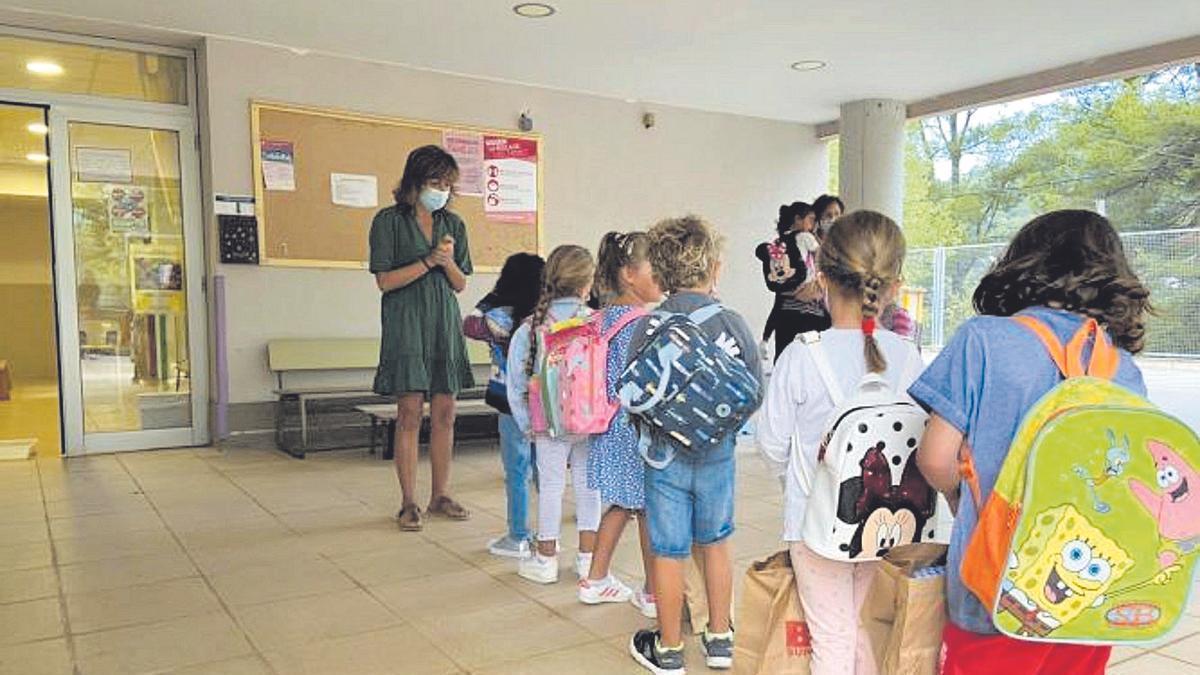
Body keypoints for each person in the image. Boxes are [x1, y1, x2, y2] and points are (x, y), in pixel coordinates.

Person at [910, 210, 1150, 675]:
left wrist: (964, 500)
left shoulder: (984, 339)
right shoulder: (1121, 367)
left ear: (1023, 263)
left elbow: (936, 458)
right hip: (1087, 591)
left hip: (994, 587)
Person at [757, 210, 924, 674]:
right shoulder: (909, 355)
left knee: (830, 634)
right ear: (893, 285)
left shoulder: (802, 354)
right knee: (854, 622)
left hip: (815, 522)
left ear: (822, 277)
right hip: (885, 520)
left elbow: (771, 444)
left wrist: (798, 484)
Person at [629, 215, 763, 674]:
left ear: (660, 275)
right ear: (715, 268)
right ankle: (720, 639)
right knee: (716, 542)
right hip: (718, 453)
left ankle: (668, 650)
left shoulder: (648, 327)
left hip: (662, 455)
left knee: (668, 551)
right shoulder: (731, 322)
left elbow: (634, 396)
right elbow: (754, 390)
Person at [369, 144, 474, 532]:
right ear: (415, 181)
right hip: (406, 322)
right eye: (435, 182)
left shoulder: (455, 226)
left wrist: (446, 265)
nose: (442, 190)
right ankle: (408, 501)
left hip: (444, 323)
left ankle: (440, 494)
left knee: (446, 412)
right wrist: (427, 261)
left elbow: (461, 285)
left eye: (448, 184)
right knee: (410, 412)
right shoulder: (388, 222)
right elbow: (385, 281)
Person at [578, 231, 664, 617]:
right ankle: (653, 591)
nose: (661, 276)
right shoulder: (642, 323)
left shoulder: (604, 317)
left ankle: (595, 579)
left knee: (621, 505)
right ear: (630, 274)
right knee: (646, 509)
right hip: (635, 429)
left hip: (609, 427)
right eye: (654, 269)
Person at [507, 245, 603, 584]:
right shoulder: (597, 323)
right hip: (591, 422)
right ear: (587, 284)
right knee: (589, 487)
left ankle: (545, 560)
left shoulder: (531, 327)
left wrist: (525, 425)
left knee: (549, 487)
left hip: (546, 422)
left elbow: (515, 381)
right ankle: (587, 559)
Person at [462, 252, 545, 558]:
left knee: (516, 470)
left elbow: (468, 325)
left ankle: (518, 536)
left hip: (511, 404)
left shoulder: (498, 318)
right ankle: (545, 535)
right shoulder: (544, 317)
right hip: (544, 404)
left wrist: (493, 296)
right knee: (543, 471)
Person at [758, 202, 831, 362]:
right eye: (811, 219)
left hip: (786, 313)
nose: (813, 225)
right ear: (798, 219)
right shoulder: (805, 237)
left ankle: (765, 339)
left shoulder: (780, 243)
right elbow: (822, 256)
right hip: (809, 313)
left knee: (784, 360)